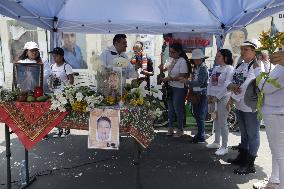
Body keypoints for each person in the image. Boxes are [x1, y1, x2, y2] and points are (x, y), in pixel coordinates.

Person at [226, 39, 263, 175]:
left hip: (251, 106)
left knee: (253, 134)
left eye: (246, 49)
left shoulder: (257, 66)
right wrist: (230, 87)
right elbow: (230, 80)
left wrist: (232, 96)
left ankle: (250, 164)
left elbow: (246, 85)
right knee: (244, 133)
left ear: (254, 51)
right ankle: (242, 157)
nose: (242, 52)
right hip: (240, 104)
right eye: (242, 49)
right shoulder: (240, 65)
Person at [253, 51, 284, 189]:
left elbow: (265, 87)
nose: (278, 51)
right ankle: (274, 180)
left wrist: (257, 68)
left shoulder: (282, 68)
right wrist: (265, 64)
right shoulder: (280, 66)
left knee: (281, 155)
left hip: (277, 112)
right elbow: (269, 79)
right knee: (277, 151)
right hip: (275, 111)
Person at [206, 49, 234, 155]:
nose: (216, 58)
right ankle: (216, 142)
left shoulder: (230, 69)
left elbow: (228, 86)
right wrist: (209, 94)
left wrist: (217, 97)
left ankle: (224, 146)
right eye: (216, 56)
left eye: (218, 56)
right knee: (216, 120)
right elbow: (210, 82)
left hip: (223, 98)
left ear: (225, 58)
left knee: (223, 122)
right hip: (213, 97)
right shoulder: (216, 68)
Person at [160, 43, 189, 138]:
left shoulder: (182, 61)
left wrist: (170, 78)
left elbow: (182, 76)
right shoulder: (170, 59)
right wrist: (162, 68)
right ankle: (170, 127)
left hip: (179, 88)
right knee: (170, 109)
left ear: (179, 52)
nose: (171, 54)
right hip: (170, 87)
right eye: (170, 52)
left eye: (173, 52)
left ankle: (180, 129)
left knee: (178, 108)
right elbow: (164, 69)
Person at [49, 47, 74, 137]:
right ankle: (59, 130)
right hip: (55, 93)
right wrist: (50, 87)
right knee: (57, 111)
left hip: (64, 93)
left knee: (65, 111)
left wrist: (66, 90)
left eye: (56, 56)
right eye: (53, 56)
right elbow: (51, 78)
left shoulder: (66, 66)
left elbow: (71, 80)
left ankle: (66, 130)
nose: (54, 57)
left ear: (61, 56)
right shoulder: (52, 66)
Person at [185, 49, 209, 143]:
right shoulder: (197, 67)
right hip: (196, 93)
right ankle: (200, 134)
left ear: (201, 59)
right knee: (197, 114)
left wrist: (187, 82)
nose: (196, 60)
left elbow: (200, 83)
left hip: (202, 94)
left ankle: (201, 135)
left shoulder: (203, 68)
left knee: (200, 115)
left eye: (198, 59)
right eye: (195, 59)